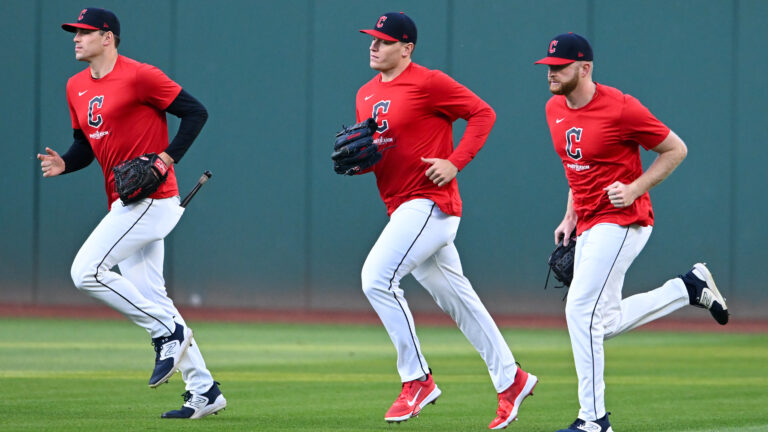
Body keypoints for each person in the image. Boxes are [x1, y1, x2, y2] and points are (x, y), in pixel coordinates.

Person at [350, 12, 537, 430]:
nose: (373, 45)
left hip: (430, 204)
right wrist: (359, 164)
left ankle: (416, 379)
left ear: (407, 48)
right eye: (372, 39)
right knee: (459, 301)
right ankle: (512, 379)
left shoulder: (428, 82)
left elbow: (482, 114)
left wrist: (455, 163)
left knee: (376, 279)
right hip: (400, 207)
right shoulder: (364, 94)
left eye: (383, 40)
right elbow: (378, 154)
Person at [534, 33, 729, 432]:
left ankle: (594, 420)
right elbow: (578, 165)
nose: (552, 73)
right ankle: (687, 288)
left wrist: (635, 188)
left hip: (624, 221)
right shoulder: (554, 108)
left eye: (560, 67)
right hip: (588, 221)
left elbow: (676, 149)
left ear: (585, 68)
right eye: (549, 67)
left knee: (578, 310)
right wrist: (569, 215)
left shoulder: (621, 108)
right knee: (600, 323)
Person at [37, 8, 225, 419]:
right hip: (125, 202)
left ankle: (166, 331)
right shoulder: (75, 86)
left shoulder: (141, 75)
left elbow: (196, 113)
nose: (76, 38)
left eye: (84, 32)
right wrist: (65, 163)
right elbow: (85, 146)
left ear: (108, 38)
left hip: (153, 201)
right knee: (153, 295)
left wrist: (166, 158)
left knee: (85, 271)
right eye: (74, 32)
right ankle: (204, 390)